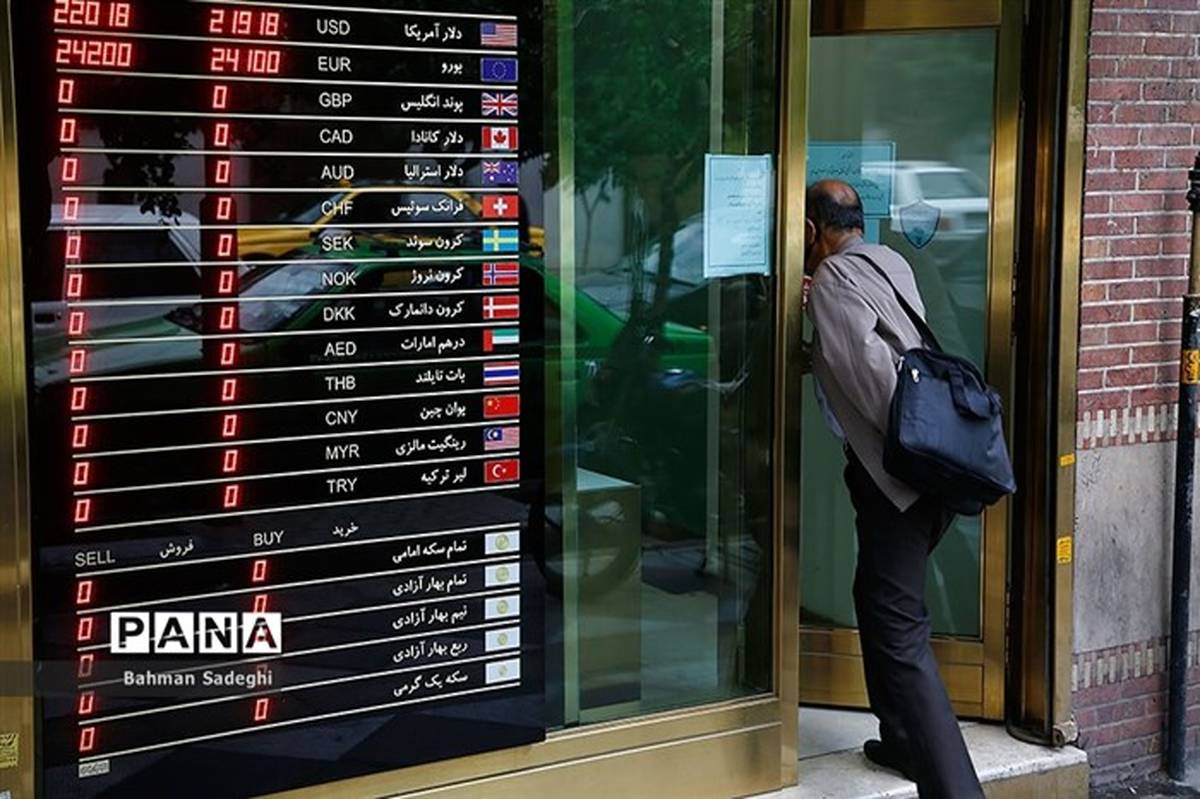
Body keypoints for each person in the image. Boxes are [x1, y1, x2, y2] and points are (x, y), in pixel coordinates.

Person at [801, 179, 984, 798]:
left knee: (900, 630)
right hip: (937, 473)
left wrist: (819, 311)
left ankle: (956, 788)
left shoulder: (832, 279)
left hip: (900, 480)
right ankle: (902, 739)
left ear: (811, 230)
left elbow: (876, 383)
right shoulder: (888, 260)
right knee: (875, 597)